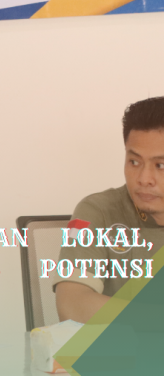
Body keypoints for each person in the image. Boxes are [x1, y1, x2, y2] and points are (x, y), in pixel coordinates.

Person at [55, 97, 164, 323]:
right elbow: (71, 304)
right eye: (134, 162)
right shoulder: (96, 211)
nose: (144, 179)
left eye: (160, 165)